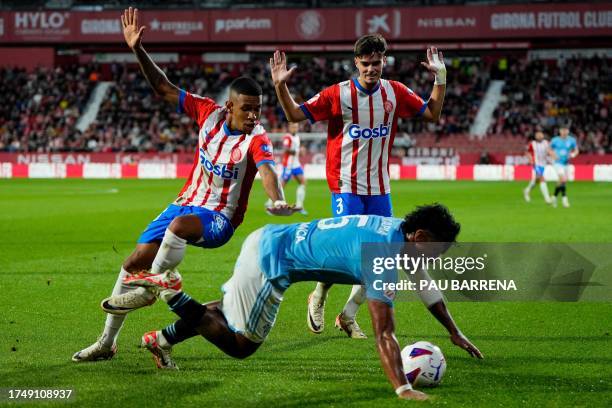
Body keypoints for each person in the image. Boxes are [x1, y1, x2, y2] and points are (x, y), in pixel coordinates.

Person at [72, 7, 296, 362]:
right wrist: (137, 49)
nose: (254, 116)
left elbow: (268, 170)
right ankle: (106, 342)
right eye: (247, 109)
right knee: (133, 261)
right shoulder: (206, 112)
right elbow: (163, 87)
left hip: (219, 218)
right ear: (230, 106)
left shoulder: (258, 138)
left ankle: (150, 289)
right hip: (186, 202)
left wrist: (278, 199)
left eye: (258, 109)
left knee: (176, 230)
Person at [103, 204, 483, 401]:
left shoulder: (395, 230)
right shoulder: (382, 255)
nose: (434, 258)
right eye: (435, 249)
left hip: (267, 239)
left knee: (229, 309)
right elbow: (385, 334)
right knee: (241, 345)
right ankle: (171, 291)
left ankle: (162, 339)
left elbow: (423, 282)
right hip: (273, 265)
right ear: (419, 236)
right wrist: (402, 389)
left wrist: (454, 332)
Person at [269, 34, 447, 338]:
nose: (371, 69)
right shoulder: (337, 95)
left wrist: (440, 78)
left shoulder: (395, 92)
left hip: (380, 188)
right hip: (345, 185)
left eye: (376, 63)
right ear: (356, 63)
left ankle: (348, 314)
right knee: (342, 252)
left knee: (382, 256)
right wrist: (280, 86)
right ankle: (319, 294)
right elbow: (294, 114)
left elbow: (431, 113)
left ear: (384, 62)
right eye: (365, 64)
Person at [266, 122, 307, 214]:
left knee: (303, 182)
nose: (295, 128)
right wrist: (298, 151)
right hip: (288, 165)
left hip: (296, 164)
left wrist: (300, 152)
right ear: (289, 127)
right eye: (293, 127)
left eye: (296, 127)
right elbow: (285, 150)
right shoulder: (287, 137)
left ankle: (299, 206)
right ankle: (270, 203)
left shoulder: (297, 137)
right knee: (281, 186)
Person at [550, 123, 579, 208]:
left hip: (566, 163)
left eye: (565, 130)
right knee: (563, 179)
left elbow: (576, 150)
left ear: (568, 131)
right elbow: (549, 149)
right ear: (560, 131)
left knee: (562, 181)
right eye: (562, 130)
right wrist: (553, 155)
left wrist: (573, 155)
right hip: (557, 163)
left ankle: (554, 197)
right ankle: (564, 199)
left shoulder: (572, 140)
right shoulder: (555, 140)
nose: (564, 132)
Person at [523, 128, 553, 204]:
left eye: (541, 134)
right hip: (536, 164)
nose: (539, 136)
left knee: (536, 181)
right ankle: (547, 199)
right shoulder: (532, 144)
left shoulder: (546, 143)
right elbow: (527, 152)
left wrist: (551, 156)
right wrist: (530, 159)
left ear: (543, 135)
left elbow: (550, 151)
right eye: (537, 135)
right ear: (535, 136)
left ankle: (527, 190)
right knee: (542, 178)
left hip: (543, 164)